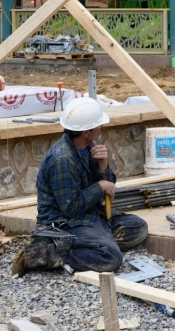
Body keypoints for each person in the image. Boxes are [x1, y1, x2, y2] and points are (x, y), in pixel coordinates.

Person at [25, 96, 148, 273]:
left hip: (89, 214)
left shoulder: (89, 146)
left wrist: (103, 165)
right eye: (99, 125)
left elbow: (108, 184)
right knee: (110, 257)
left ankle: (94, 241)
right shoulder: (62, 160)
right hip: (65, 222)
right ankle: (48, 252)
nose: (101, 127)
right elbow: (70, 208)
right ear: (86, 132)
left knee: (138, 227)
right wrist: (100, 187)